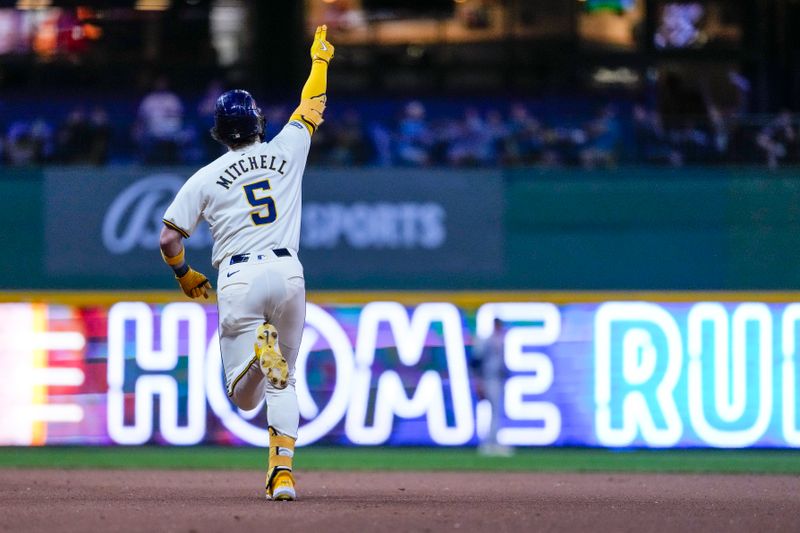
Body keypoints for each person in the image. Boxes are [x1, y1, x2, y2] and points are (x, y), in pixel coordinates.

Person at [158, 25, 334, 501]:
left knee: (243, 395)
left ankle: (260, 357)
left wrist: (184, 273)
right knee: (286, 382)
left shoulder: (207, 176)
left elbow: (169, 236)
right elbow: (310, 107)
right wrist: (320, 60)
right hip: (288, 272)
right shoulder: (285, 149)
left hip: (238, 277)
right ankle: (282, 474)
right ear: (258, 124)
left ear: (219, 132)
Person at [472, 318, 513, 457]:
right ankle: (490, 444)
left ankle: (492, 442)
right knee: (494, 412)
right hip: (489, 379)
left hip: (498, 379)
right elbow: (476, 361)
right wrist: (479, 382)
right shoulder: (487, 340)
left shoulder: (500, 340)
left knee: (495, 412)